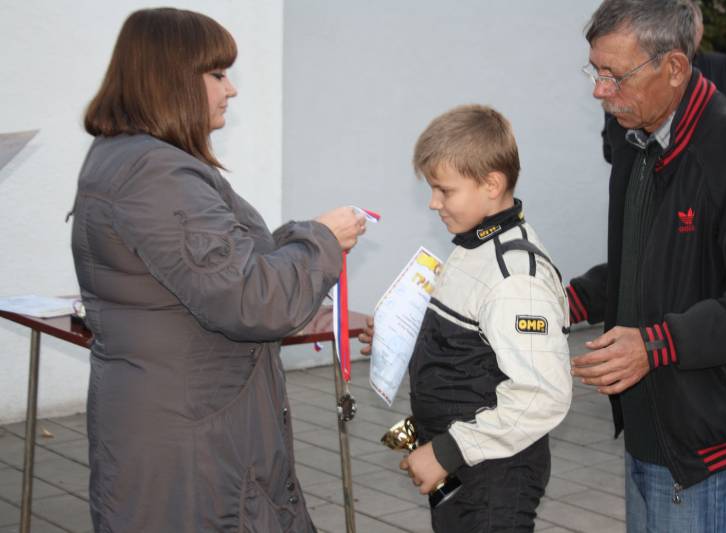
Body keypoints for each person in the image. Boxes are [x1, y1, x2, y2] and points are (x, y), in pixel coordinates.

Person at [70, 8, 366, 532]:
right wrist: (322, 241)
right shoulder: (157, 174)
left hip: (176, 423)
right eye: (217, 74)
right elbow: (249, 301)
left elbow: (217, 266)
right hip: (193, 443)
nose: (231, 89)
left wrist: (300, 241)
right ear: (173, 80)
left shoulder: (128, 158)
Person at [570, 1, 726, 531]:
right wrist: (570, 299)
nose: (600, 91)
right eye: (595, 71)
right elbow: (649, 259)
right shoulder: (634, 137)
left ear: (674, 67)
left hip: (703, 445)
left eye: (615, 75)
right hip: (648, 427)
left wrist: (656, 345)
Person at [363, 104, 572, 532]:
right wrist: (402, 340)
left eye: (445, 190)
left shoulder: (515, 278)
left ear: (491, 184)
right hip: (465, 467)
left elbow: (542, 394)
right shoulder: (473, 246)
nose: (433, 203)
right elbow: (474, 342)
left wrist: (447, 451)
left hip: (494, 476)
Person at [599, 0, 726, 164]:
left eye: (692, 25)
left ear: (700, 30)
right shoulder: (630, 76)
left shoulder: (719, 66)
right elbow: (611, 146)